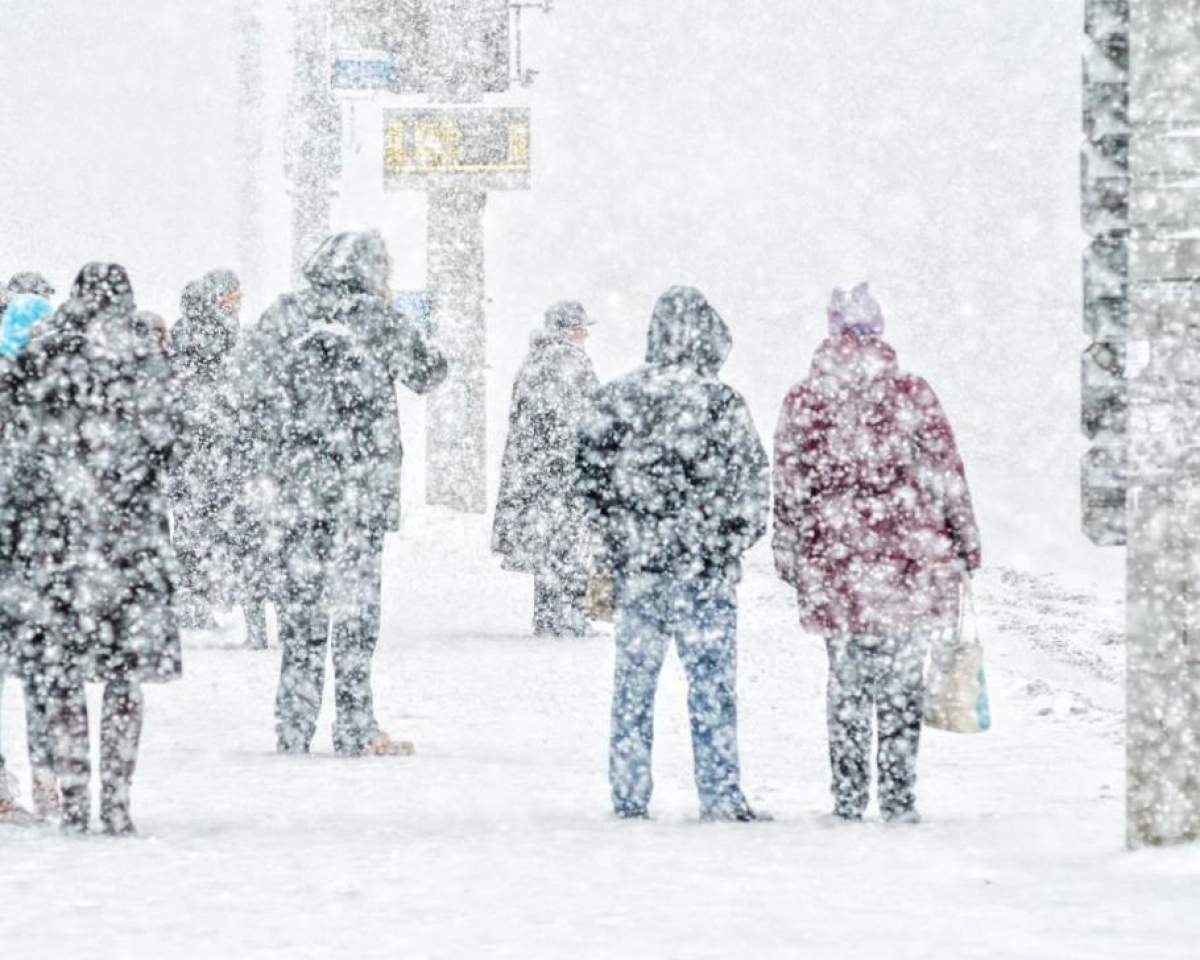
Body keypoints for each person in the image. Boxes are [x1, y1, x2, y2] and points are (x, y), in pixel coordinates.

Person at [771, 283, 981, 824]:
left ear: (832, 331)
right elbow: (946, 475)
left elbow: (789, 484)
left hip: (835, 561)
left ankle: (847, 796)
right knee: (901, 686)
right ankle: (897, 794)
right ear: (880, 332)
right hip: (907, 562)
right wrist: (964, 542)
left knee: (845, 682)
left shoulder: (805, 399)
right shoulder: (912, 395)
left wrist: (791, 552)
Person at [577, 286, 771, 822]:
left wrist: (620, 537)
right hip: (704, 573)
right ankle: (721, 793)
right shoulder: (721, 403)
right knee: (711, 688)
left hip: (640, 571)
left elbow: (588, 480)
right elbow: (754, 489)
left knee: (634, 687)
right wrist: (723, 542)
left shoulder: (617, 398)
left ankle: (629, 792)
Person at [2, 264, 182, 835]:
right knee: (123, 676)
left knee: (61, 673)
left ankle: (74, 798)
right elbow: (169, 445)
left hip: (55, 541)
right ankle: (118, 799)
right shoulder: (142, 355)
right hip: (128, 544)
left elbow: (16, 449)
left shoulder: (36, 356)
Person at [259, 230, 447, 757]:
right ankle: (356, 726)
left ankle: (293, 727)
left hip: (297, 493)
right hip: (359, 496)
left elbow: (246, 382)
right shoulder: (375, 318)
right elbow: (430, 372)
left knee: (300, 613)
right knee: (356, 614)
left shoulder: (286, 313)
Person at [493, 301, 600, 638]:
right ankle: (571, 617)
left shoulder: (533, 361)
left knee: (548, 542)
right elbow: (590, 417)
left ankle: (548, 615)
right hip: (565, 470)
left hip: (534, 472)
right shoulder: (570, 362)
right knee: (571, 542)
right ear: (571, 330)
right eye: (582, 328)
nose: (585, 335)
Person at [0, 291, 61, 822]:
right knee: (42, 672)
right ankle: (47, 777)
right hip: (38, 555)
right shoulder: (52, 391)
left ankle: (5, 783)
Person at [168, 271, 242, 630]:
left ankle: (193, 597)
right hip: (211, 444)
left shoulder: (181, 332)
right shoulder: (219, 334)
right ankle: (203, 596)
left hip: (189, 445)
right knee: (209, 524)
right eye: (231, 293)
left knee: (191, 524)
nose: (237, 299)